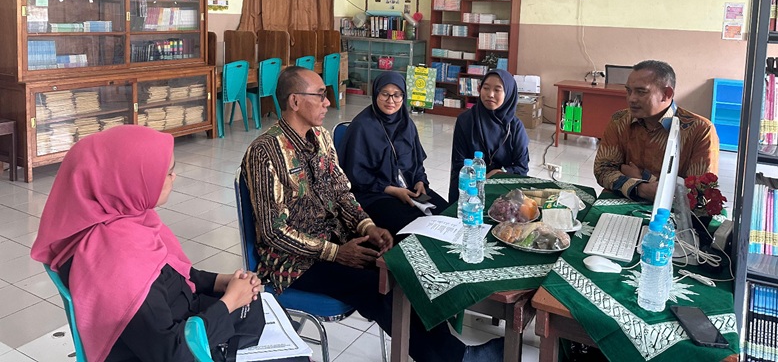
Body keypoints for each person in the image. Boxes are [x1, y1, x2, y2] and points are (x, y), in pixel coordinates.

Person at [241, 66, 503, 362]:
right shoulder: (265, 153)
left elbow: (342, 193)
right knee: (378, 288)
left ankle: (448, 350)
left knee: (404, 269)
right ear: (295, 101)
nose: (328, 102)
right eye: (320, 95)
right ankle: (457, 358)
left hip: (336, 241)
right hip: (293, 263)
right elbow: (272, 232)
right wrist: (336, 253)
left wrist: (367, 227)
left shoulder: (323, 139)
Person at [30, 125, 263, 362]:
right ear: (130, 181)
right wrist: (230, 302)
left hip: (180, 324)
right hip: (174, 347)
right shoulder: (119, 263)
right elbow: (172, 354)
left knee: (257, 309)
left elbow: (170, 275)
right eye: (167, 172)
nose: (175, 177)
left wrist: (220, 282)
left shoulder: (128, 222)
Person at [337, 71, 448, 236]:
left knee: (446, 214)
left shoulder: (406, 123)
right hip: (375, 194)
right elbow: (355, 176)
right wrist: (392, 190)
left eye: (397, 95)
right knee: (411, 229)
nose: (391, 101)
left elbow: (416, 162)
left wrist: (419, 181)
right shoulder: (361, 127)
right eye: (385, 94)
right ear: (376, 94)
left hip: (409, 188)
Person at [593, 59, 720, 202]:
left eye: (641, 92)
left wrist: (642, 177)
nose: (631, 99)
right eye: (628, 91)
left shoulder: (700, 130)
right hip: (621, 201)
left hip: (672, 213)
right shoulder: (619, 120)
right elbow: (602, 169)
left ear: (666, 94)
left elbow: (701, 192)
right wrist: (640, 188)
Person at [449, 68, 530, 202]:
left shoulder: (515, 127)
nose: (490, 94)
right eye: (486, 88)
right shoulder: (466, 121)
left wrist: (499, 173)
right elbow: (459, 164)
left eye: (497, 90)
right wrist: (481, 179)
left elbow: (522, 168)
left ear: (508, 93)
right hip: (469, 191)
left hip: (505, 193)